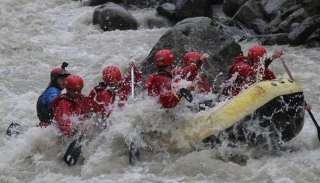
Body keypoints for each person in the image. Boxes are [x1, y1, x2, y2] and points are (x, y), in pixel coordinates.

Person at [36, 62, 71, 127]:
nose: (64, 81)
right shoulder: (53, 90)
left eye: (65, 79)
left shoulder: (54, 90)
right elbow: (53, 103)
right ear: (54, 80)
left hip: (47, 124)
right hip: (47, 124)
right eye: (62, 79)